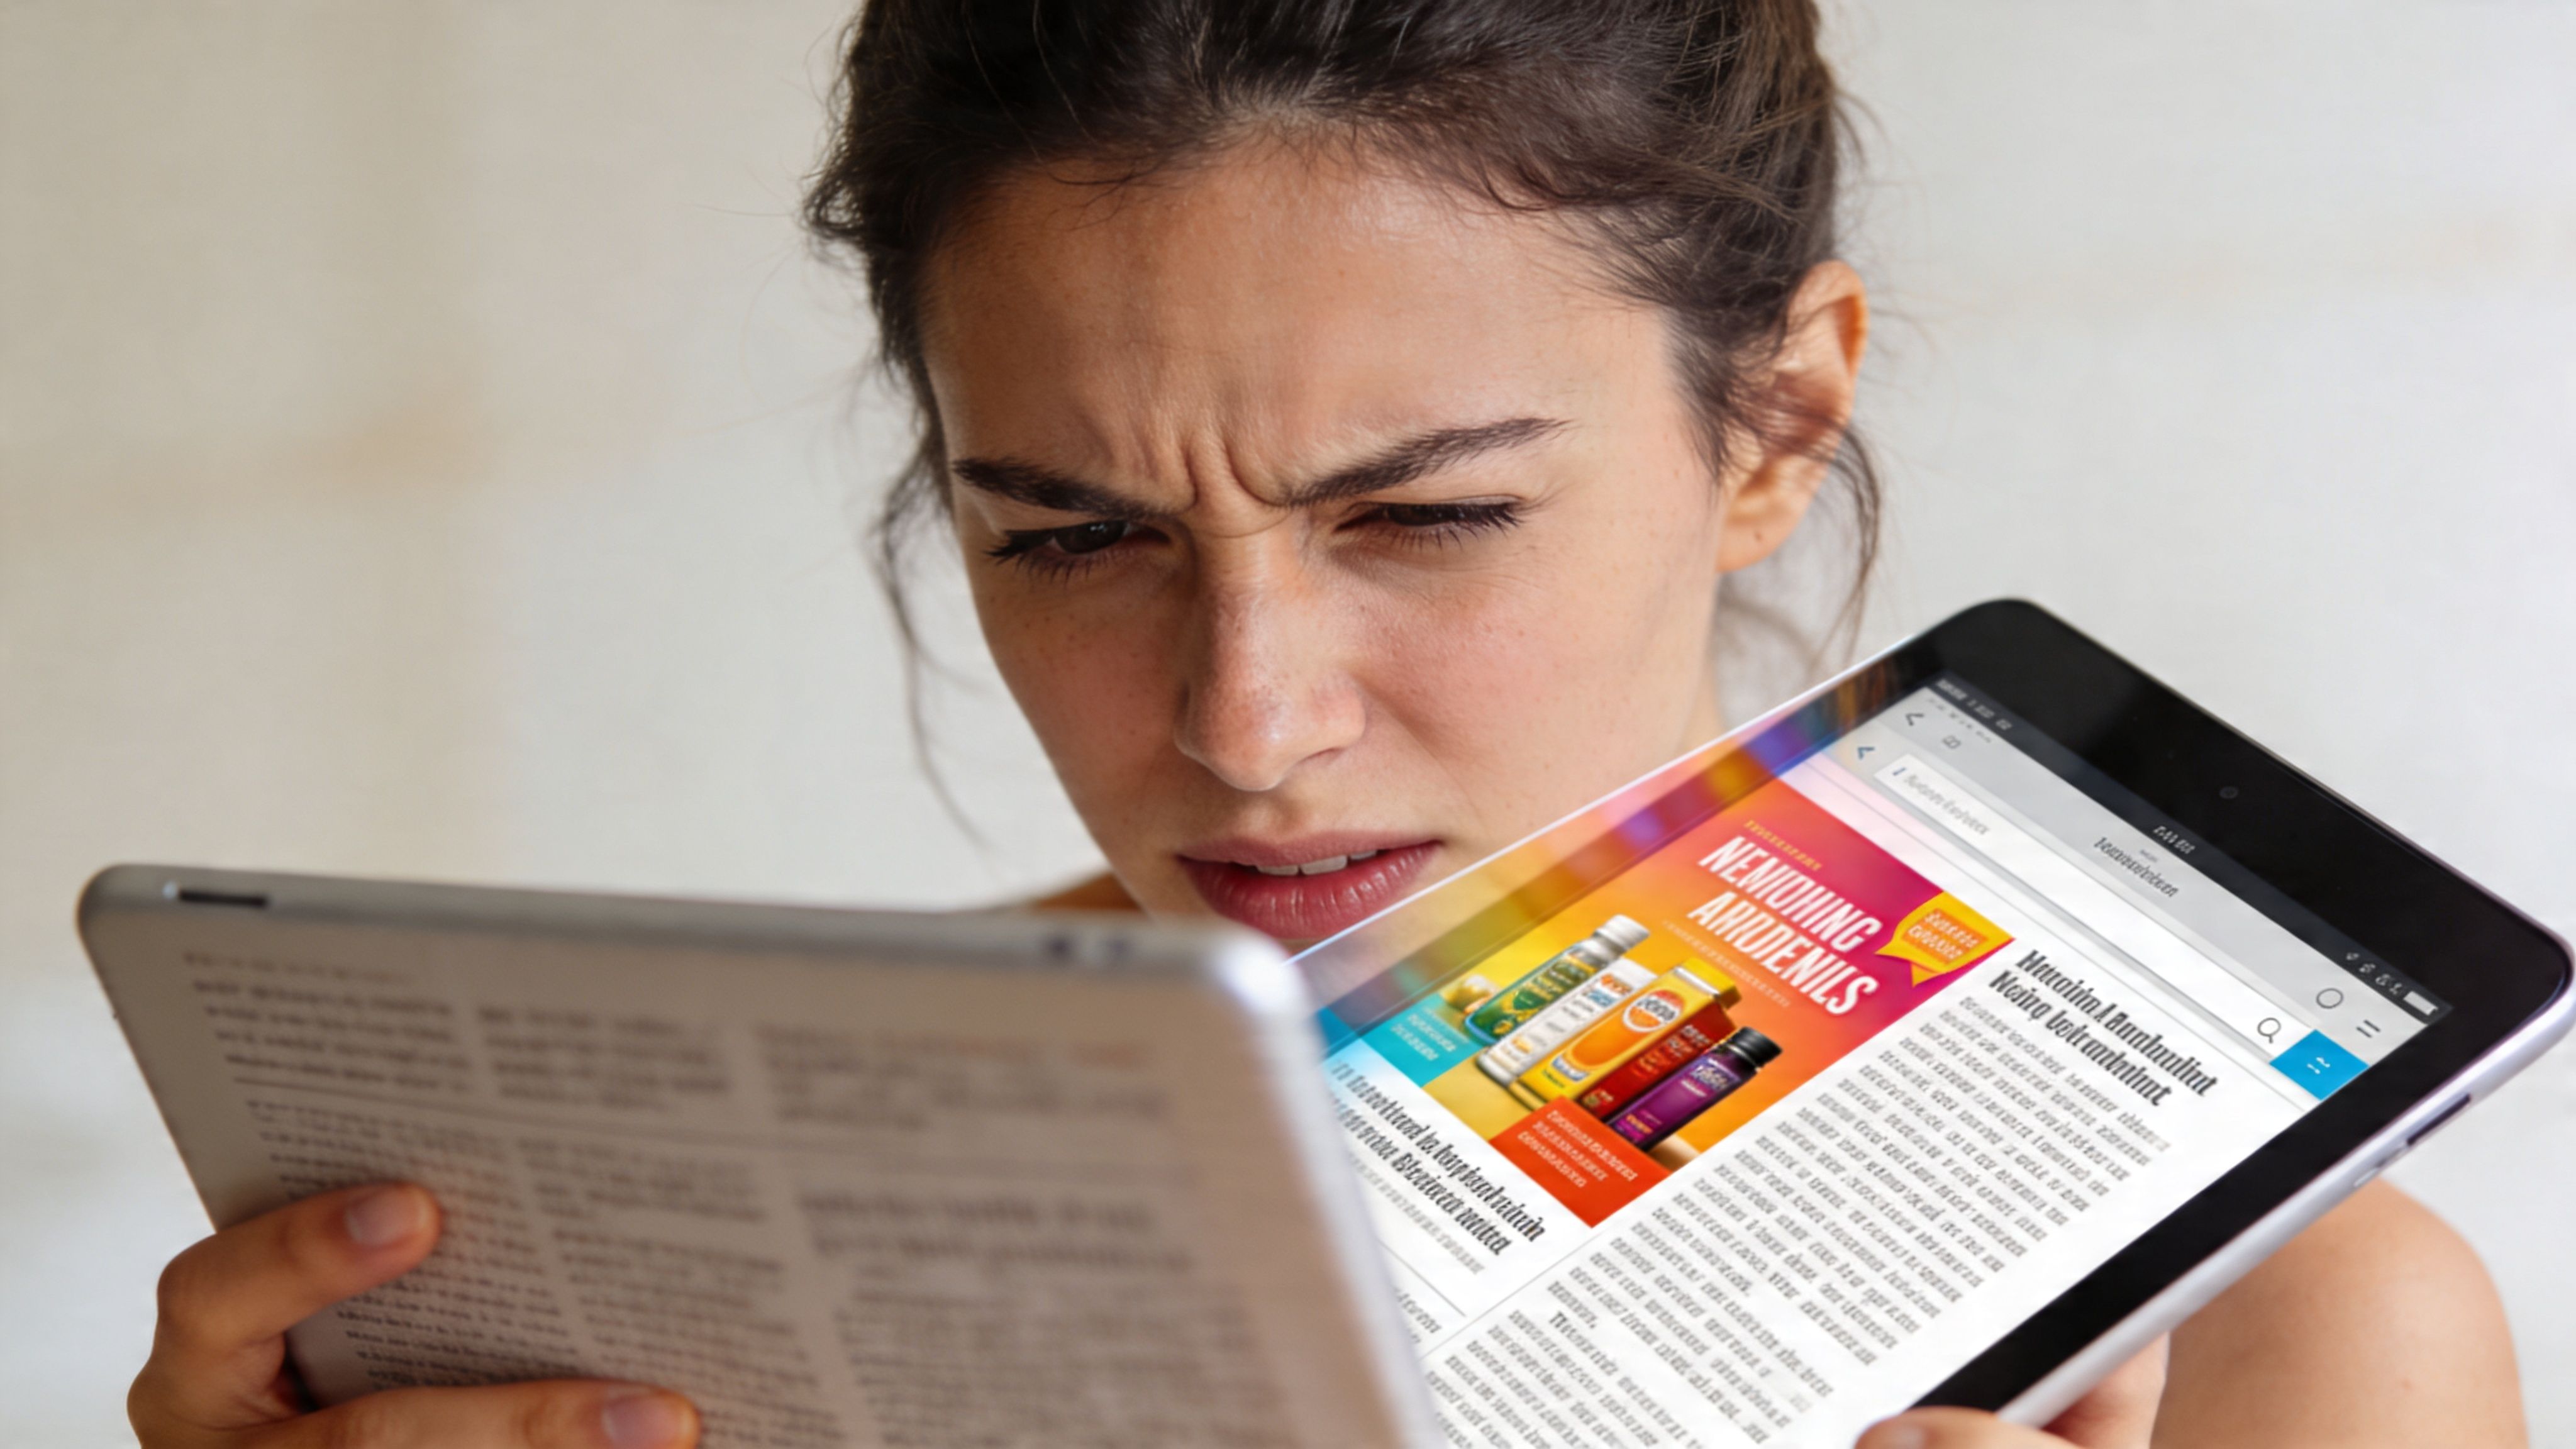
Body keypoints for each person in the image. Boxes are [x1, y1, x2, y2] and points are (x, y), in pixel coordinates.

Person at [125, 2, 2527, 1446]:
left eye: (1429, 517)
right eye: (1070, 537)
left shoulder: (2284, 1345)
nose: (1249, 725)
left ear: (1777, 424)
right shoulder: (763, 1220)